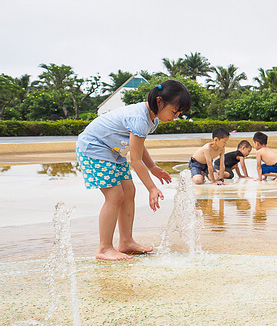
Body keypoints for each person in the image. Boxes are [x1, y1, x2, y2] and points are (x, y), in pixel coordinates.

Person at [75, 80, 191, 261]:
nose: (175, 117)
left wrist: (153, 167)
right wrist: (152, 188)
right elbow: (135, 160)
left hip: (112, 150)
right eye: (174, 111)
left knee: (129, 191)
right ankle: (104, 248)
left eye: (179, 113)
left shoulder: (151, 120)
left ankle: (126, 241)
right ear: (159, 101)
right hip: (94, 147)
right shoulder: (139, 117)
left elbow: (137, 145)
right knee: (115, 195)